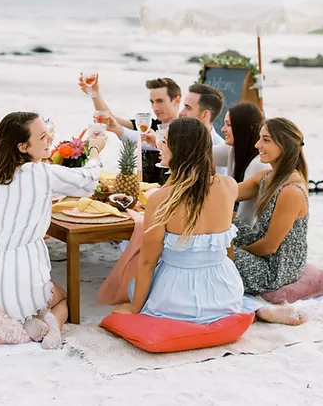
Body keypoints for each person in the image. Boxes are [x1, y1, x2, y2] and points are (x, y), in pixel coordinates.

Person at [112, 118, 304, 326]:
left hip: (177, 299)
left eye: (164, 141)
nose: (159, 146)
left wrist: (135, 308)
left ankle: (254, 309)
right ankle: (255, 308)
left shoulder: (161, 198)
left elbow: (148, 261)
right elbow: (228, 249)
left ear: (179, 149)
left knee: (134, 283)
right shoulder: (229, 186)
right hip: (226, 293)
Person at [0, 111, 107, 349]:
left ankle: (25, 320)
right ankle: (50, 324)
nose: (49, 140)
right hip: (23, 273)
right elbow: (87, 181)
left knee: (18, 296)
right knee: (62, 297)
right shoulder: (39, 173)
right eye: (42, 137)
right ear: (23, 147)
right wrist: (95, 150)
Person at [234, 117, 309, 295]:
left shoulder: (291, 191)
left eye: (266, 140)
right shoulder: (267, 177)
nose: (257, 145)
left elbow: (269, 246)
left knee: (218, 253)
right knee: (228, 222)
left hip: (275, 270)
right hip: (265, 254)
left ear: (284, 145)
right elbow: (228, 193)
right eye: (260, 138)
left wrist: (233, 251)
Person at [78, 75, 181, 183]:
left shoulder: (188, 130)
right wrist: (95, 94)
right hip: (144, 191)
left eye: (160, 101)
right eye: (152, 102)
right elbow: (111, 120)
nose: (155, 107)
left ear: (176, 100)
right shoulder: (147, 126)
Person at [213, 102, 270, 225]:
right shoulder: (233, 149)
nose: (222, 129)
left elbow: (246, 217)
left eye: (228, 125)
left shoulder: (258, 163)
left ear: (244, 128)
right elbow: (202, 155)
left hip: (249, 232)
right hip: (235, 223)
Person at [179, 83, 227, 175]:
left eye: (188, 108)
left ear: (205, 114)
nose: (181, 112)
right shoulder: (182, 140)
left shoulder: (219, 152)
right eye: (184, 106)